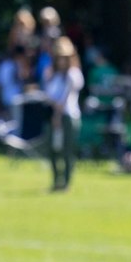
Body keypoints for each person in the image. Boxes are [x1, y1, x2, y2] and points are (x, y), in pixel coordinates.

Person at [44, 36, 82, 192]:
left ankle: (66, 183)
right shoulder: (52, 74)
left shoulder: (73, 74)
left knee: (67, 151)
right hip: (52, 115)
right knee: (52, 150)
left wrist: (57, 116)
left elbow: (65, 99)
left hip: (67, 116)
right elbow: (48, 96)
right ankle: (55, 181)